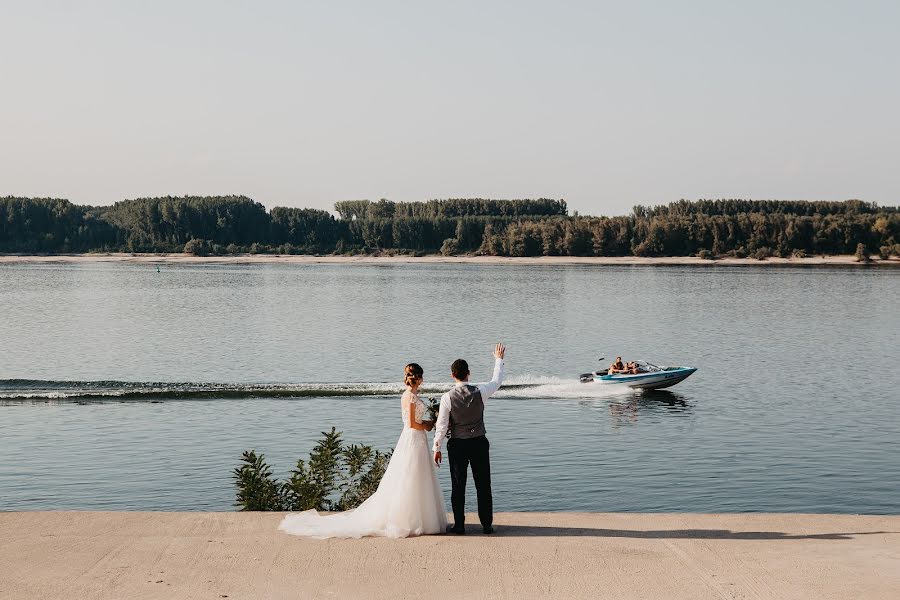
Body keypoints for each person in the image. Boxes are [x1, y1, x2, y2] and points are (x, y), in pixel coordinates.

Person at [278, 363, 448, 538]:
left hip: (412, 438)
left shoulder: (407, 396)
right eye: (421, 377)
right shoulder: (411, 398)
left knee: (412, 476)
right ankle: (412, 519)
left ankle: (415, 517)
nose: (422, 380)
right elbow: (412, 423)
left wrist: (426, 423)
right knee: (411, 476)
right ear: (419, 378)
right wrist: (427, 425)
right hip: (413, 438)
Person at [433, 343, 506, 535]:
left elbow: (441, 425)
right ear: (468, 373)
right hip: (479, 443)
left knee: (458, 485)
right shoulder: (480, 392)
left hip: (458, 445)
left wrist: (437, 447)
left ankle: (459, 525)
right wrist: (498, 359)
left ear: (452, 375)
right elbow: (497, 380)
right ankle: (487, 524)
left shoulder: (447, 397)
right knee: (483, 484)